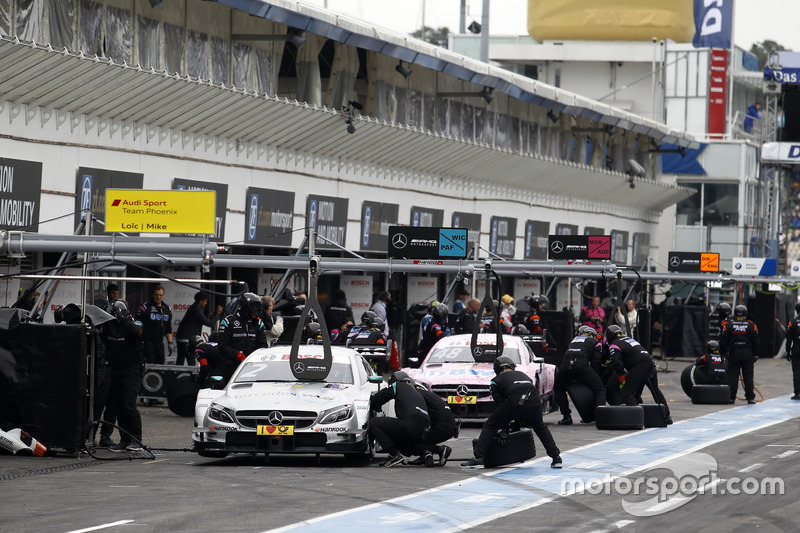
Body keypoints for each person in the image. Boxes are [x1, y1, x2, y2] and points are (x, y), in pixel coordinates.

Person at [461, 355, 562, 469]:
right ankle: (556, 457)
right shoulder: (525, 376)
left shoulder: (496, 381)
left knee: (490, 425)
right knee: (540, 427)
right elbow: (525, 401)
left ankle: (478, 458)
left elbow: (501, 406)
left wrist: (505, 430)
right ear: (512, 367)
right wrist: (514, 427)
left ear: (497, 370)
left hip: (515, 401)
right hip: (534, 401)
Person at [102, 300, 145, 453]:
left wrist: (123, 318)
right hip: (115, 369)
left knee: (128, 404)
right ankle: (124, 439)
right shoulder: (109, 326)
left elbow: (137, 331)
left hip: (132, 371)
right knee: (118, 405)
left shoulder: (135, 322)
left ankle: (136, 439)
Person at [368, 371, 430, 467]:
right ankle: (425, 453)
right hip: (424, 429)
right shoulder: (416, 391)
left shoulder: (397, 385)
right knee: (402, 442)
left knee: (374, 423)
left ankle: (394, 455)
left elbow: (378, 398)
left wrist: (376, 406)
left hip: (409, 424)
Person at [552, 326, 606, 425]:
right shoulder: (595, 342)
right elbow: (596, 363)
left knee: (558, 389)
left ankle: (566, 416)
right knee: (600, 390)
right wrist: (595, 377)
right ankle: (600, 418)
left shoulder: (574, 340)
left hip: (565, 367)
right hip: (582, 366)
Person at [405, 377, 456, 467]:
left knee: (409, 441)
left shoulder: (417, 395)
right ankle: (424, 456)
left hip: (442, 427)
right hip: (449, 426)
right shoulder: (425, 394)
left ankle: (440, 450)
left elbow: (421, 415)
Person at [604, 325, 657, 407]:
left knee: (627, 393)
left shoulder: (614, 345)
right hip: (650, 363)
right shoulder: (629, 339)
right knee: (652, 392)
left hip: (640, 366)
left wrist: (622, 378)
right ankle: (667, 417)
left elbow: (617, 363)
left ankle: (634, 418)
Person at [720, 304, 758, 405]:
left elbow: (723, 341)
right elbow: (756, 342)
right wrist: (755, 354)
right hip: (747, 354)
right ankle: (750, 398)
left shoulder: (728, 325)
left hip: (734, 354)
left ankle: (731, 398)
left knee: (733, 376)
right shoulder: (752, 326)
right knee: (748, 376)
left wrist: (723, 353)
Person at [217, 292, 268, 364]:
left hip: (253, 363)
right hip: (232, 364)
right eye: (253, 312)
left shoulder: (259, 323)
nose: (255, 315)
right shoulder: (228, 322)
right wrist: (237, 355)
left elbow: (263, 346)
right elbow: (222, 346)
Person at [135, 285, 173, 365]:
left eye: (160, 295)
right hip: (147, 342)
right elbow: (137, 325)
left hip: (159, 342)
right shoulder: (145, 307)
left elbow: (168, 327)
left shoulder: (167, 308)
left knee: (160, 365)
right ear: (153, 295)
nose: (158, 297)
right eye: (156, 295)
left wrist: (170, 342)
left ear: (163, 295)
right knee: (148, 364)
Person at [175, 291, 212, 365]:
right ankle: (191, 376)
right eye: (205, 302)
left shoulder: (196, 308)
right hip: (187, 339)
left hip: (183, 337)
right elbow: (209, 323)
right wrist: (218, 314)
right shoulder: (197, 310)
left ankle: (178, 374)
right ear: (200, 301)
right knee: (191, 360)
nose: (206, 303)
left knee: (181, 359)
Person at [785, 302, 800, 400]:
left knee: (797, 372)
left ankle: (797, 393)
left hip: (797, 349)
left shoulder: (792, 322)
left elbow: (789, 339)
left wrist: (787, 352)